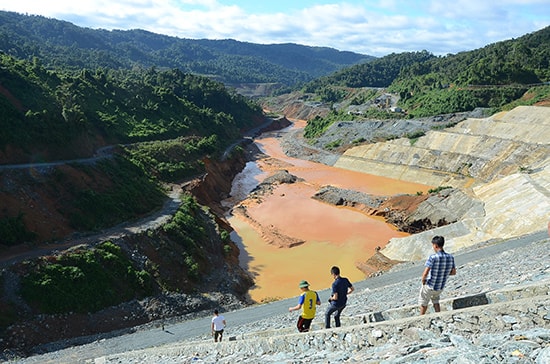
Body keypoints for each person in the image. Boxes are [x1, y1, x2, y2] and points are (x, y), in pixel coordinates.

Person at [419, 235, 457, 315]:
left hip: (430, 285)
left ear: (435, 245)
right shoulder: (450, 257)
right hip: (440, 287)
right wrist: (444, 272)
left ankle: (420, 317)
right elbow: (453, 272)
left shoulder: (433, 257)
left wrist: (423, 281)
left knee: (423, 302)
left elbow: (425, 272)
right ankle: (438, 315)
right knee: (436, 300)